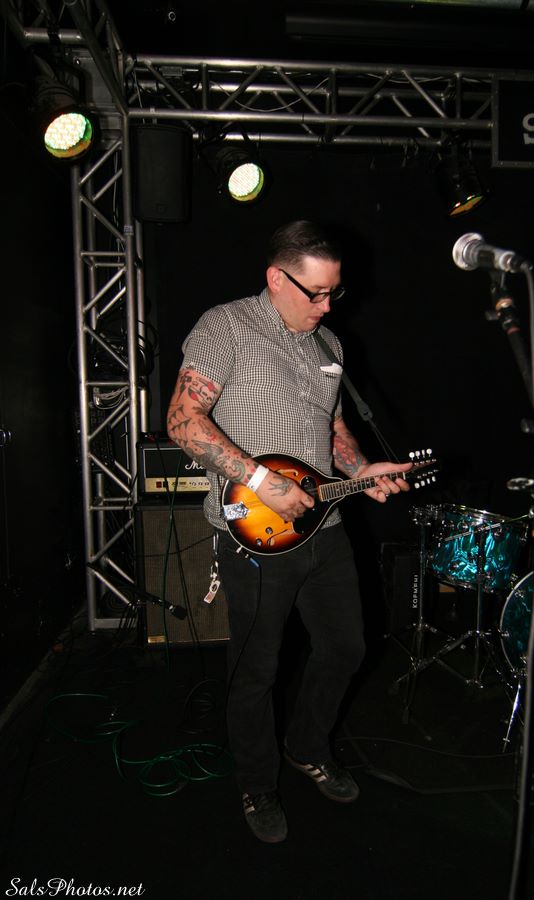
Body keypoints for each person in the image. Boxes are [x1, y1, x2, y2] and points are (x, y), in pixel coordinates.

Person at [166, 220, 411, 843]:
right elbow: (184, 420)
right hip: (254, 533)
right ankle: (257, 783)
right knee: (257, 669)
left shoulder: (329, 343)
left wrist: (361, 470)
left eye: (335, 292)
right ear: (277, 278)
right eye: (316, 293)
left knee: (346, 647)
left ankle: (306, 747)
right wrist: (258, 479)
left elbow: (330, 427)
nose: (327, 306)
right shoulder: (225, 326)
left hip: (326, 525)